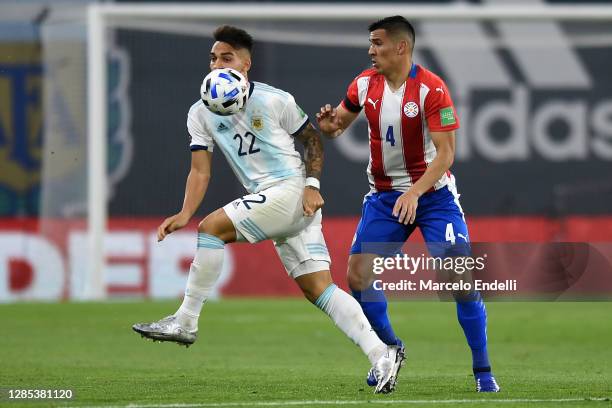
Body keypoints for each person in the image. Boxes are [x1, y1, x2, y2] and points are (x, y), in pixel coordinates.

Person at [132, 25, 403, 394]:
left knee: (212, 229)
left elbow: (312, 141)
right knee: (319, 289)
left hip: (291, 191)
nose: (216, 64)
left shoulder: (275, 99)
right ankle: (381, 354)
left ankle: (186, 320)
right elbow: (200, 169)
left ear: (245, 64)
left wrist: (312, 186)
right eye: (213, 58)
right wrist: (183, 212)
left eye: (225, 57)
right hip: (272, 200)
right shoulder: (200, 112)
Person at [316, 16, 500, 392]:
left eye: (378, 43)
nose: (371, 50)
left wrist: (415, 192)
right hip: (385, 198)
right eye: (370, 43)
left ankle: (483, 371)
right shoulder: (363, 85)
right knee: (357, 276)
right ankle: (390, 350)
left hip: (433, 197)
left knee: (459, 278)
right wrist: (329, 125)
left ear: (401, 47)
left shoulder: (432, 90)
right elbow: (338, 126)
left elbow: (446, 155)